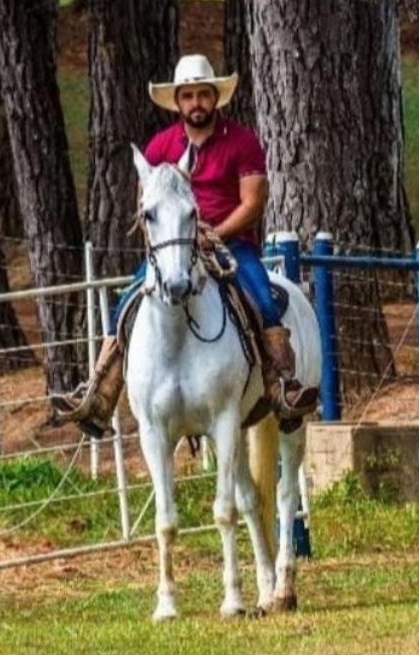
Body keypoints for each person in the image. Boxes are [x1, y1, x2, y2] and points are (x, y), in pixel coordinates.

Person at [74, 54, 319, 430]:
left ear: (215, 98)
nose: (196, 103)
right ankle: (100, 393)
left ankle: (282, 384)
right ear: (178, 101)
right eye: (187, 96)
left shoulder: (242, 142)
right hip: (174, 251)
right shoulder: (159, 148)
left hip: (232, 245)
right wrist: (172, 243)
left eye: (203, 95)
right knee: (124, 305)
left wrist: (215, 235)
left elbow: (253, 203)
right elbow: (146, 207)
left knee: (264, 299)